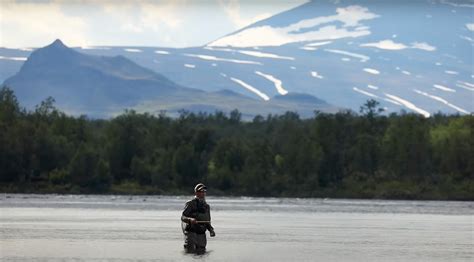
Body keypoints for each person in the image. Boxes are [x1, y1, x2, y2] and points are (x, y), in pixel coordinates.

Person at [181, 183, 215, 253]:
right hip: (191, 233)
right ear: (196, 192)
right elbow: (183, 217)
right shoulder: (190, 203)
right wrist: (190, 220)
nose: (203, 193)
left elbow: (207, 221)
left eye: (204, 192)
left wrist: (211, 230)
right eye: (201, 191)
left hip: (202, 234)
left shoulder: (206, 206)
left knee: (202, 253)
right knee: (190, 253)